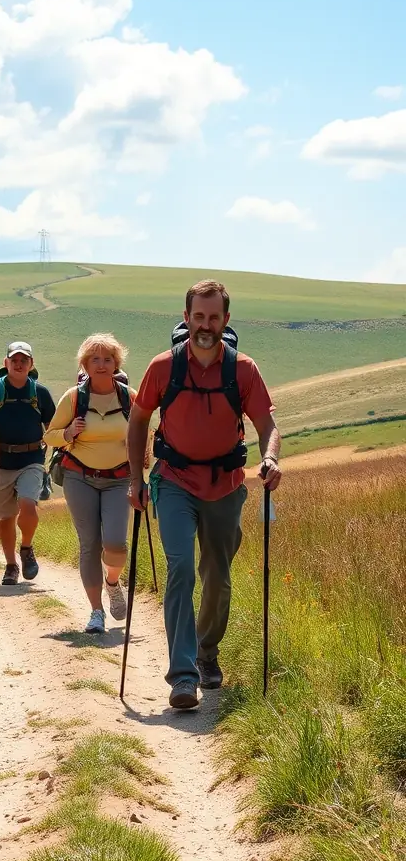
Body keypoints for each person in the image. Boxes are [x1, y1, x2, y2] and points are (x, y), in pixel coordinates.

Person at [127, 279, 282, 710]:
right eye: (199, 316)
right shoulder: (163, 367)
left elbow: (268, 428)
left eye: (214, 317)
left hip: (226, 485)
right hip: (173, 480)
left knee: (217, 574)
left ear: (226, 320)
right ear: (186, 317)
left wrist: (270, 459)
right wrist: (136, 479)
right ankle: (182, 675)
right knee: (181, 568)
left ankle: (206, 650)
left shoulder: (243, 370)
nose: (206, 325)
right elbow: (138, 420)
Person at [43, 333, 135, 634]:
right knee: (89, 545)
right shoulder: (73, 398)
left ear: (116, 364)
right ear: (84, 364)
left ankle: (112, 582)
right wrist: (68, 433)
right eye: (95, 359)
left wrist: (142, 459)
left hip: (119, 480)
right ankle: (96, 612)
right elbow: (50, 436)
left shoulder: (129, 397)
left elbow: (143, 431)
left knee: (116, 545)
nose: (101, 364)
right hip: (79, 477)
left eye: (108, 359)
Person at [0, 341, 56, 585]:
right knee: (6, 516)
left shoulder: (40, 394)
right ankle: (11, 565)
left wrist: (60, 454)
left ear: (31, 364)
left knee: (28, 505)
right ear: (5, 363)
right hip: (2, 462)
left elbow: (53, 428)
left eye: (23, 360)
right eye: (14, 360)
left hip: (32, 459)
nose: (18, 364)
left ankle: (26, 548)